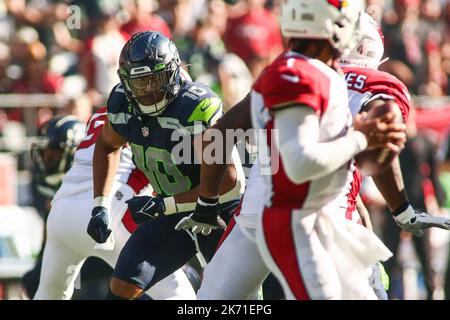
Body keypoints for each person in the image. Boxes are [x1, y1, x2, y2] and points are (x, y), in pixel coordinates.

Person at [177, 0, 406, 300]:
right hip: (304, 219)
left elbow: (217, 136)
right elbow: (300, 163)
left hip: (258, 214)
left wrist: (207, 204)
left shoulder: (287, 69)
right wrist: (361, 139)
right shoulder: (311, 76)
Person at [87, 31, 245, 300]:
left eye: (153, 79)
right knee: (122, 285)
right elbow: (106, 145)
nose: (147, 90)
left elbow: (230, 184)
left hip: (220, 211)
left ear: (172, 72)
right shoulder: (122, 103)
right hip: (169, 211)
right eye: (139, 82)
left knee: (236, 298)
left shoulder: (195, 105)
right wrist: (100, 204)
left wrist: (163, 205)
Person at [33, 110, 196, 300]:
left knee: (49, 294)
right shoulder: (166, 119)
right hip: (111, 212)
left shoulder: (108, 111)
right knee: (179, 295)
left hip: (61, 210)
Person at [22, 115, 86, 298]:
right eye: (45, 151)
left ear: (74, 152)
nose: (46, 157)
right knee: (33, 279)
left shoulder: (90, 186)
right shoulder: (46, 184)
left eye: (53, 152)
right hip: (66, 253)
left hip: (97, 261)